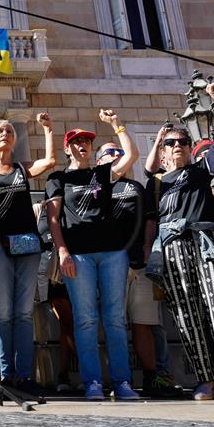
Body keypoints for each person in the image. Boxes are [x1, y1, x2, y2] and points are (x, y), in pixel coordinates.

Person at [144, 82, 214, 402]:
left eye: (184, 142)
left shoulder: (201, 170)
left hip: (207, 243)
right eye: (172, 143)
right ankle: (206, 379)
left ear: (190, 148)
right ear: (163, 152)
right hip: (173, 250)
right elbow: (152, 223)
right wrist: (148, 259)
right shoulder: (157, 183)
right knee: (187, 317)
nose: (178, 146)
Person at [45, 109, 139, 400]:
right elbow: (53, 219)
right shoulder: (57, 178)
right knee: (84, 319)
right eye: (76, 141)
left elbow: (132, 156)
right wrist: (63, 252)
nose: (83, 145)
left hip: (112, 253)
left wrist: (116, 124)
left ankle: (122, 382)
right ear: (67, 148)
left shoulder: (102, 172)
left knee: (114, 319)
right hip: (79, 255)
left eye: (87, 141)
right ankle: (93, 382)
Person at [0, 113, 56, 397]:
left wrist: (47, 130)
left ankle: (24, 375)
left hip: (27, 244)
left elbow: (50, 162)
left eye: (9, 130)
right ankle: (5, 375)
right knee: (3, 312)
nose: (5, 133)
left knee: (23, 312)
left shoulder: (22, 167)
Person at [95, 142, 181, 398]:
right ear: (99, 161)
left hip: (139, 263)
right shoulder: (95, 188)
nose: (116, 155)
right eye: (109, 152)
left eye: (119, 152)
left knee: (145, 322)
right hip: (108, 264)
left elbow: (150, 220)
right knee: (114, 323)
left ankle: (154, 376)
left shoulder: (137, 188)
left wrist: (146, 248)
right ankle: (120, 379)